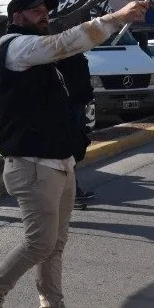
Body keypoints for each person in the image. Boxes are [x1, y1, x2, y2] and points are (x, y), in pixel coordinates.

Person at [0, 0, 148, 308]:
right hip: (32, 164)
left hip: (61, 162)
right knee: (39, 243)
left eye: (45, 10)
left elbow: (72, 69)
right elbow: (63, 44)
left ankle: (52, 303)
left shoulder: (43, 57)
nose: (43, 15)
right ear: (17, 17)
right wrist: (116, 17)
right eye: (35, 11)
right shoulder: (13, 46)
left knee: (55, 244)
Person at [55, 53, 96, 210]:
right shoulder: (61, 52)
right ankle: (70, 194)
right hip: (67, 108)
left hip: (77, 105)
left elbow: (82, 79)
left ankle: (72, 191)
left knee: (75, 149)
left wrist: (87, 99)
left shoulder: (76, 51)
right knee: (68, 151)